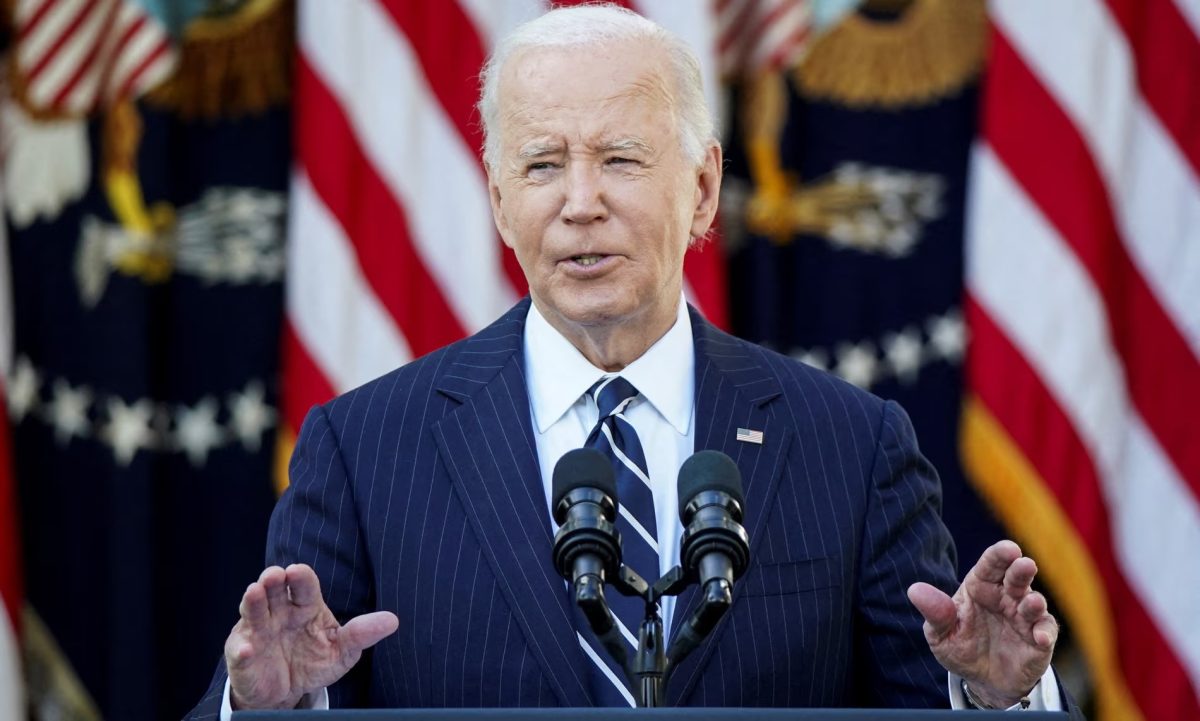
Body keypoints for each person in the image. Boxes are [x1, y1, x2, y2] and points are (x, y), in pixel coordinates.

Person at [185, 5, 1080, 718]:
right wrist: (271, 706)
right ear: (498, 201)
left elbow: (921, 699)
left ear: (702, 188)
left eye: (619, 158)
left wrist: (996, 697)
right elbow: (289, 688)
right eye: (542, 166)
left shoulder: (853, 443)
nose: (581, 203)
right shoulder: (365, 447)